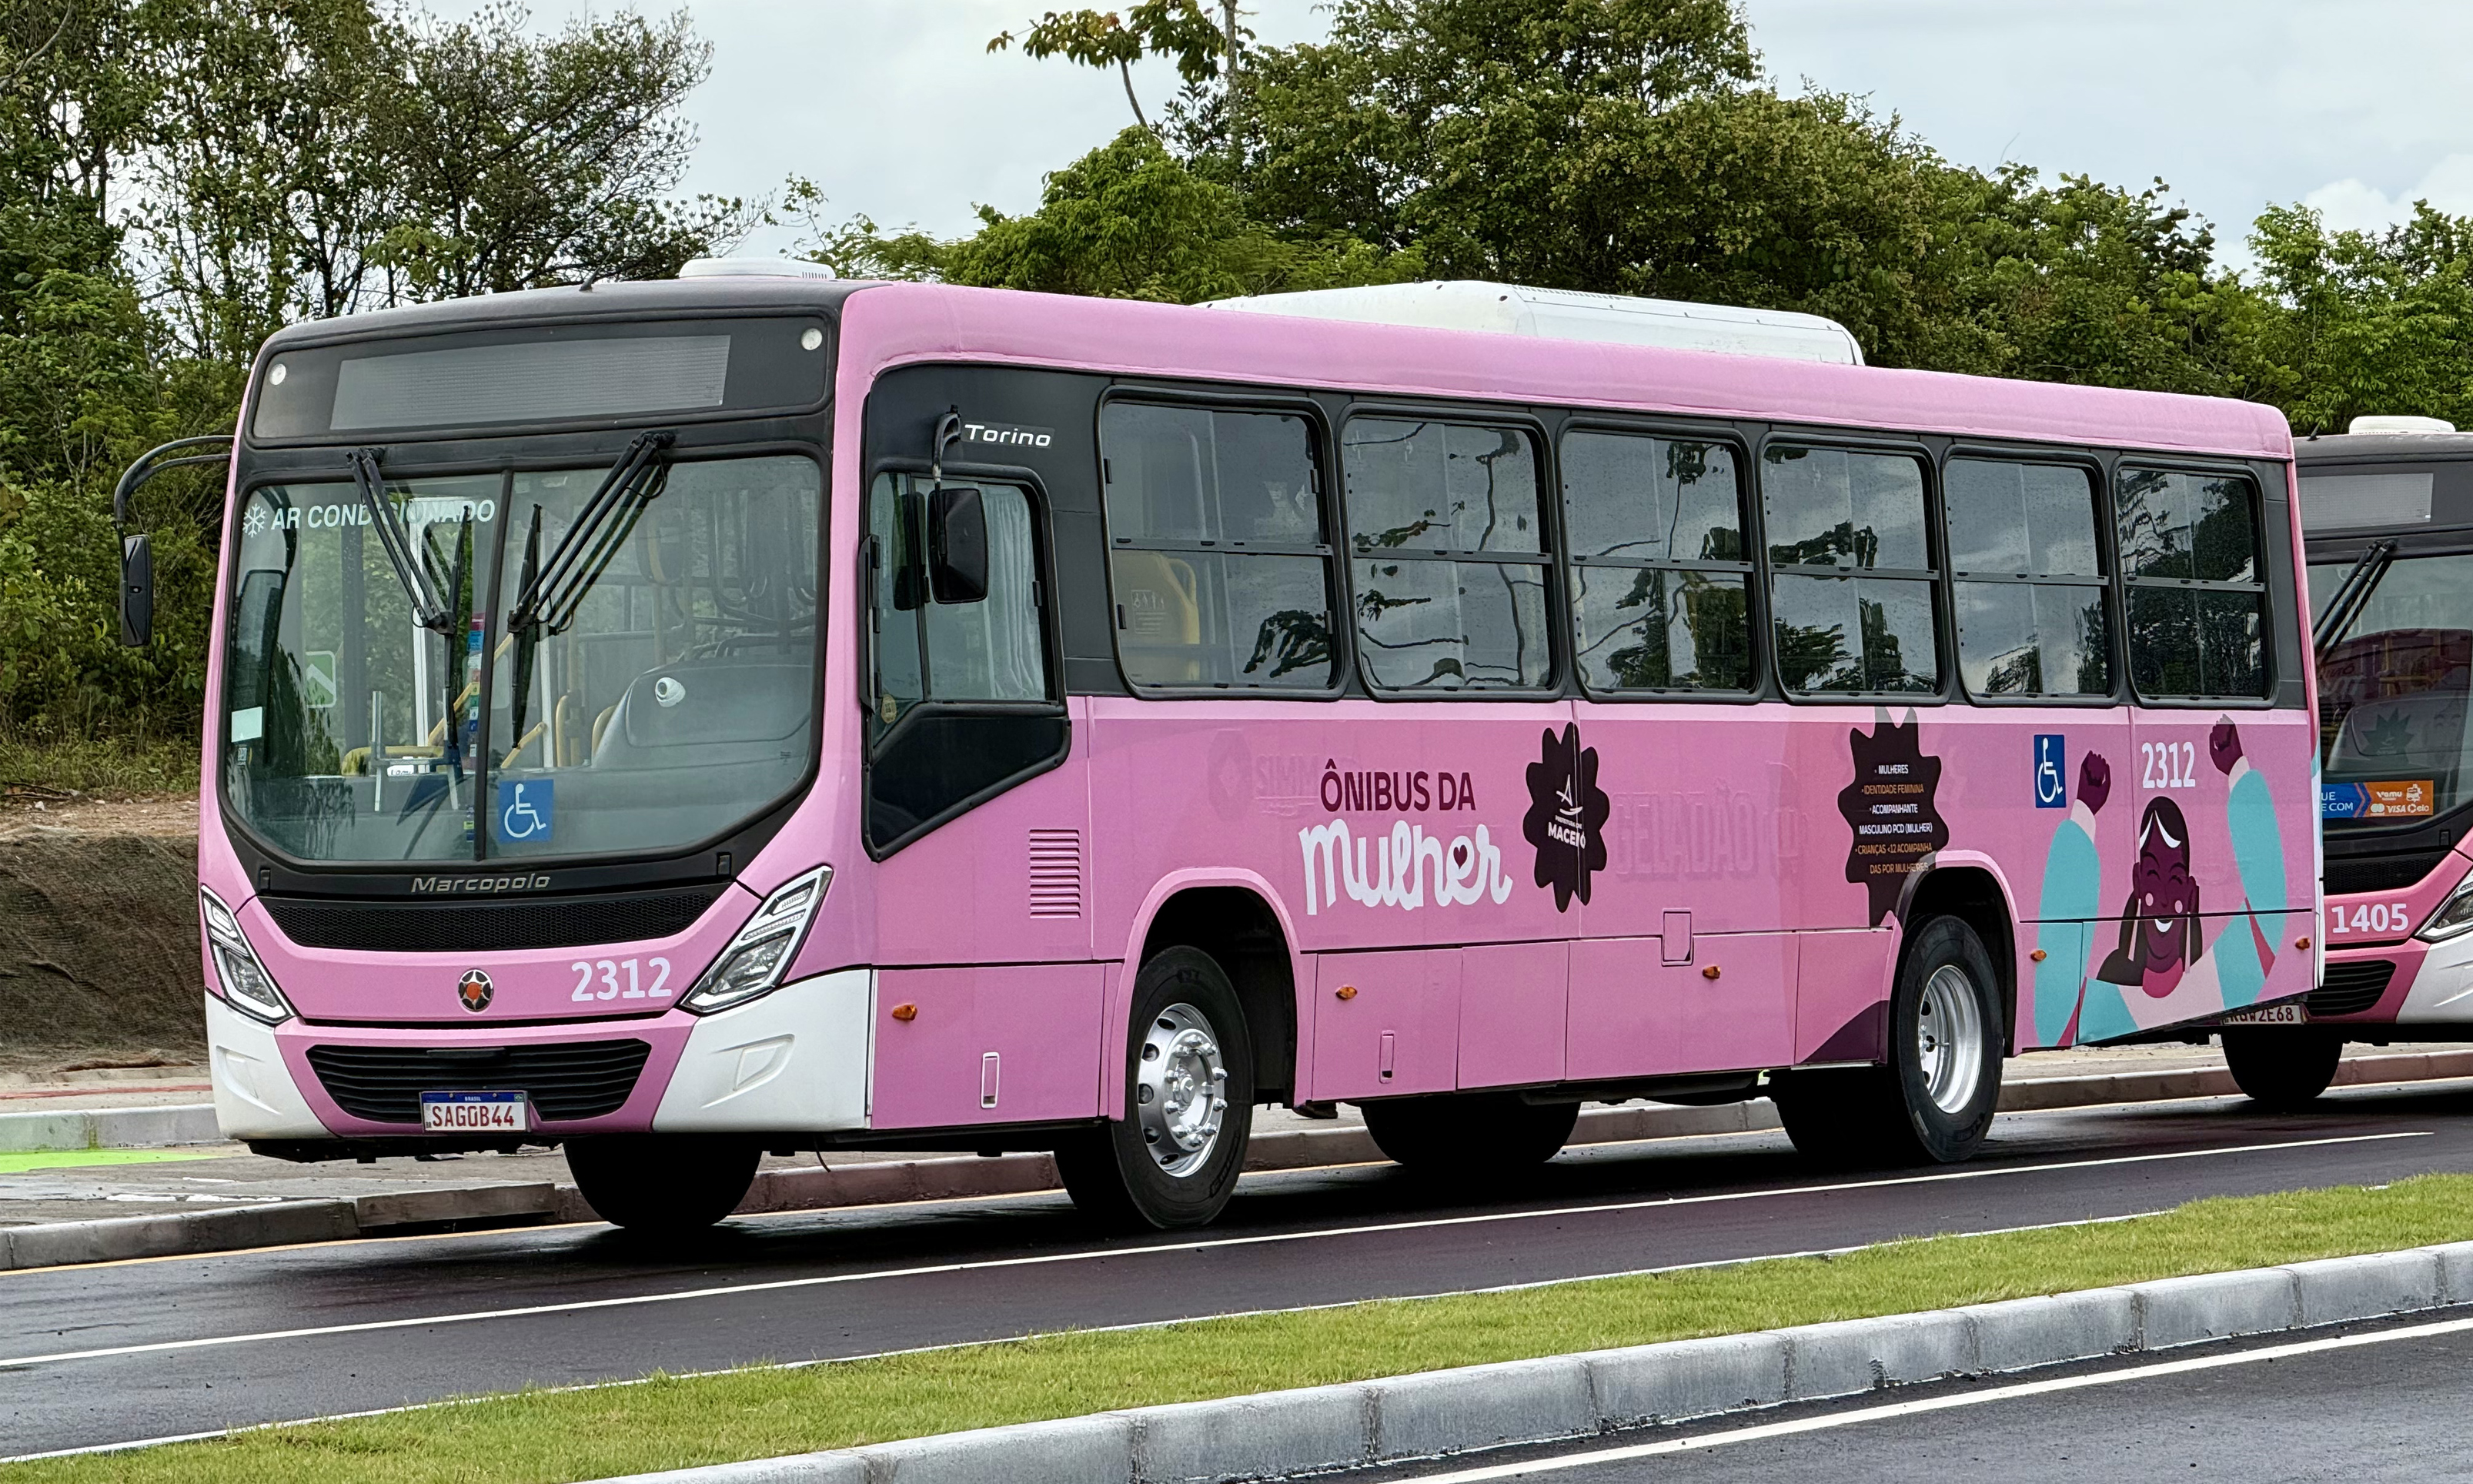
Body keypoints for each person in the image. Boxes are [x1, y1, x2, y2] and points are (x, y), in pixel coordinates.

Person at [2030, 720, 2290, 1045]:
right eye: (2152, 877)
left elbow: (2270, 917)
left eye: (2175, 879)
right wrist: (2083, 814)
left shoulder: (2222, 978)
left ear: (2192, 893)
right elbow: (2055, 1019)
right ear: (2138, 884)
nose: (2165, 897)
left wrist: (2237, 768)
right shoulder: (2112, 993)